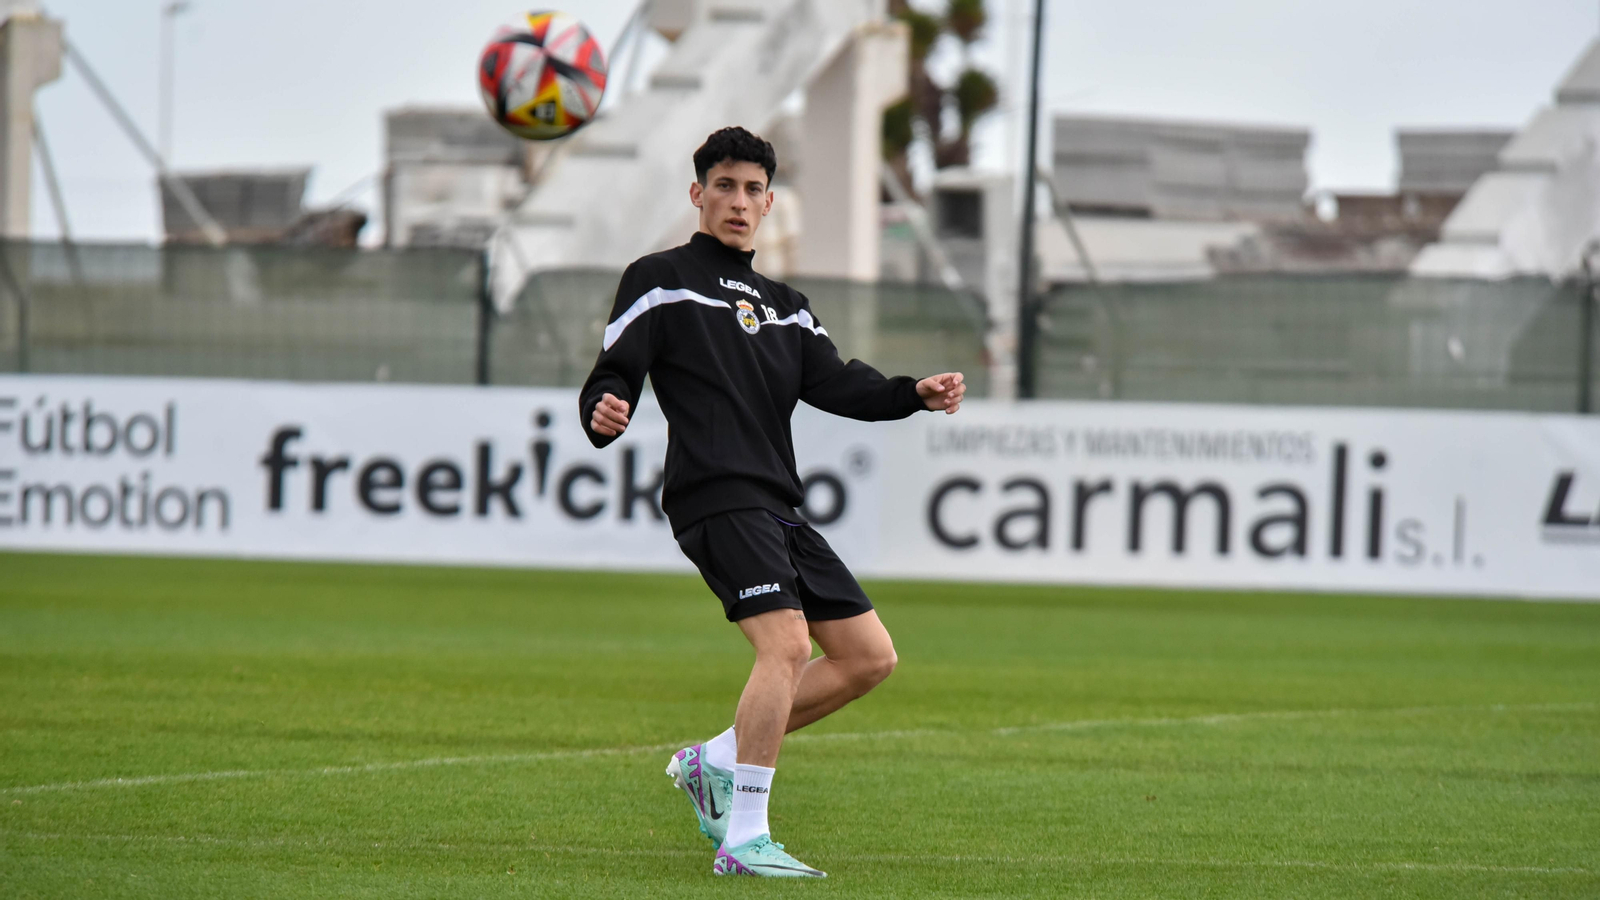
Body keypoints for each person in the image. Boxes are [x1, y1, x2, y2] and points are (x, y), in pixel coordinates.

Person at [579, 126, 965, 878]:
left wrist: (910, 394)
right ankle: (744, 838)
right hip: (714, 495)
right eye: (724, 185)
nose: (738, 201)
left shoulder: (785, 304)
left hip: (778, 505)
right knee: (786, 647)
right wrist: (606, 406)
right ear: (698, 194)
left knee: (868, 657)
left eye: (753, 189)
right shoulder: (659, 278)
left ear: (769, 203)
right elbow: (613, 371)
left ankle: (715, 760)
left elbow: (839, 382)